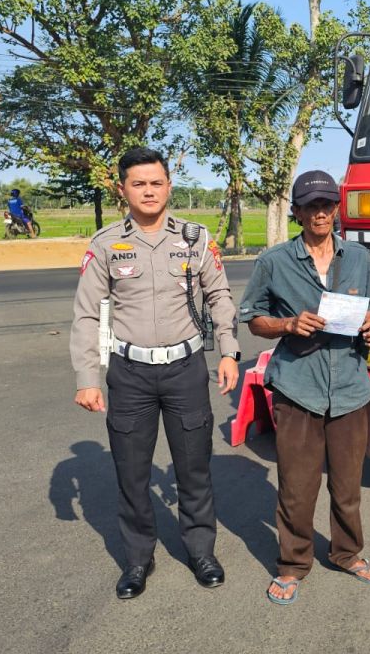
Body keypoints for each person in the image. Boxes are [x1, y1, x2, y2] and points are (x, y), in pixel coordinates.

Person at [70, 147, 241, 599]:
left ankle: (201, 550)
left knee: (194, 467)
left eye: (157, 182)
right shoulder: (106, 244)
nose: (149, 191)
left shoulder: (195, 238)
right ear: (123, 188)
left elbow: (219, 295)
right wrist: (88, 376)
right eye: (139, 183)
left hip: (185, 370)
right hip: (130, 375)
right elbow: (87, 315)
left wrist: (228, 351)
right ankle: (137, 560)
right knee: (131, 472)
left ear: (168, 186)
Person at [237, 170, 370, 606]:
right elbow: (254, 318)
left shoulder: (358, 257)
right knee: (297, 486)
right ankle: (293, 563)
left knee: (347, 484)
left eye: (328, 205)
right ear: (297, 212)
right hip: (298, 387)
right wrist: (288, 324)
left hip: (351, 388)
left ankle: (347, 552)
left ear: (337, 210)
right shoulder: (274, 261)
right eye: (311, 206)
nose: (321, 213)